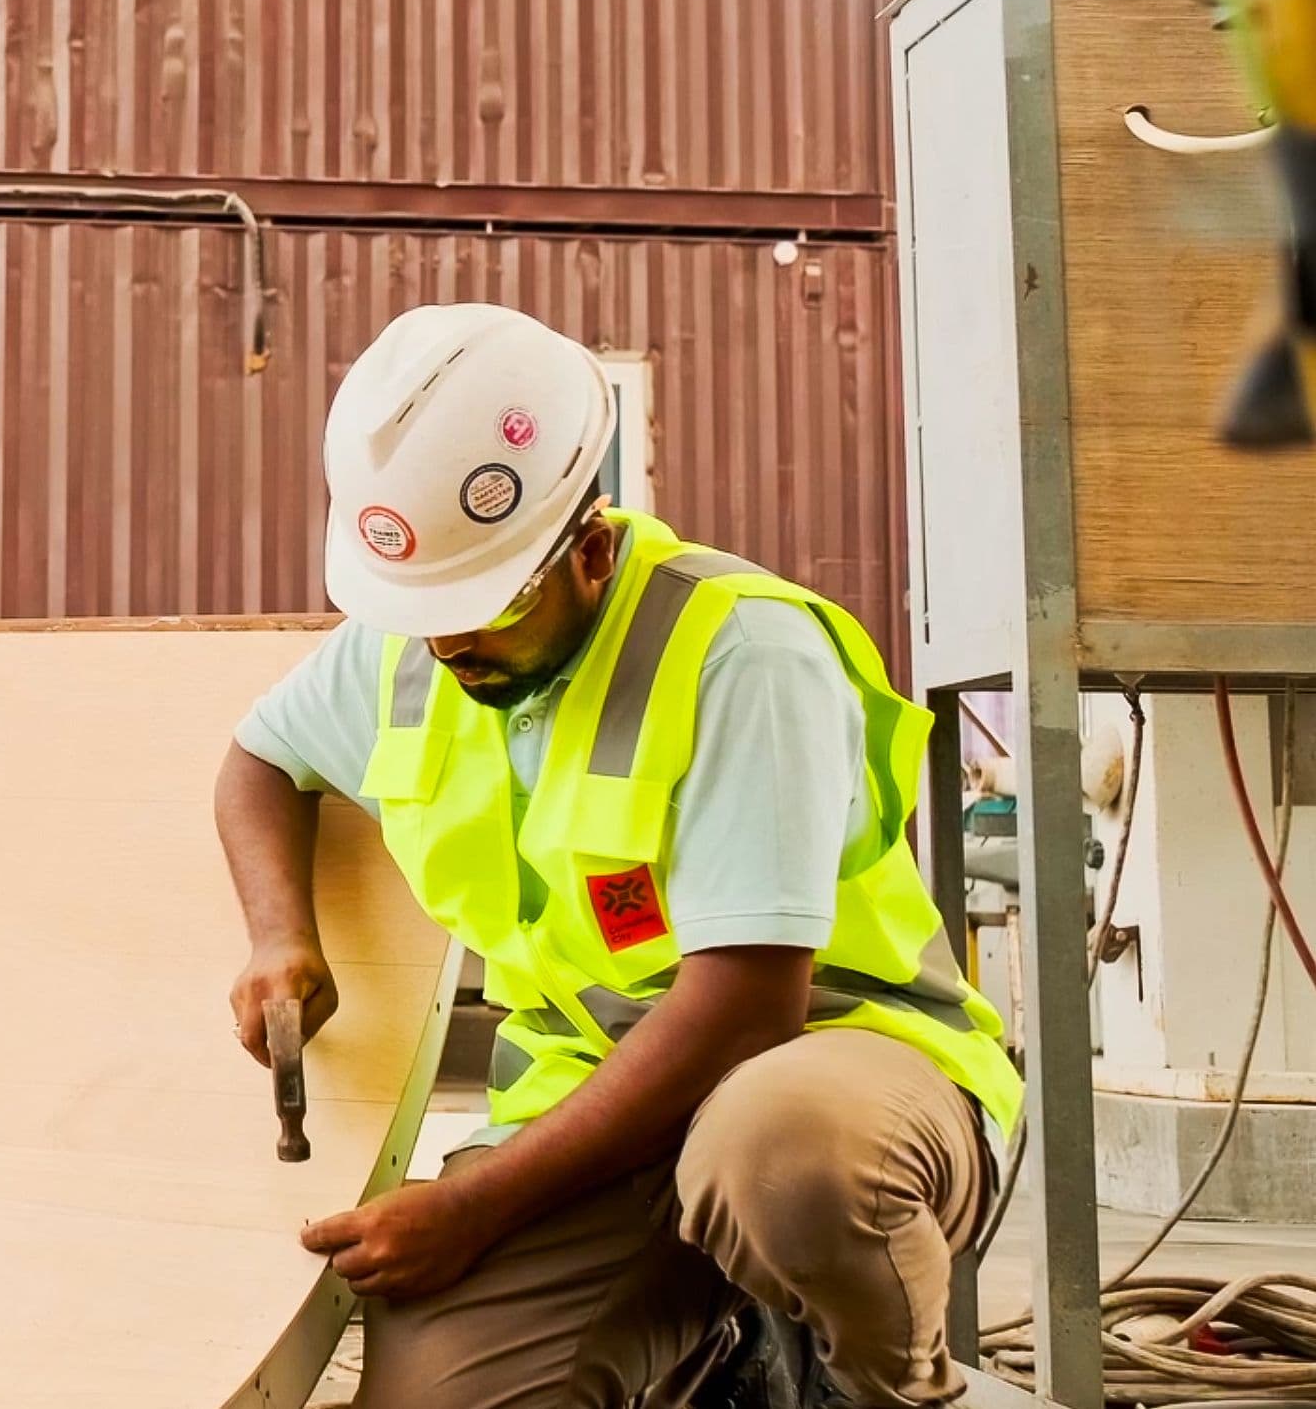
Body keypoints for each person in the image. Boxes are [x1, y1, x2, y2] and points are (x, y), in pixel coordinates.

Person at [215, 304, 1020, 1409]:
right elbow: (258, 760)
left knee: (780, 1158)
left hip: (834, 1069)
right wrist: (279, 936)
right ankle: (713, 1359)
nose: (447, 645)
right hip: (597, 1100)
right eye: (423, 613)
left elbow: (743, 1013)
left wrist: (478, 1204)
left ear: (589, 551)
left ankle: (884, 1390)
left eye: (479, 610)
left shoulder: (742, 653)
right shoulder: (412, 652)